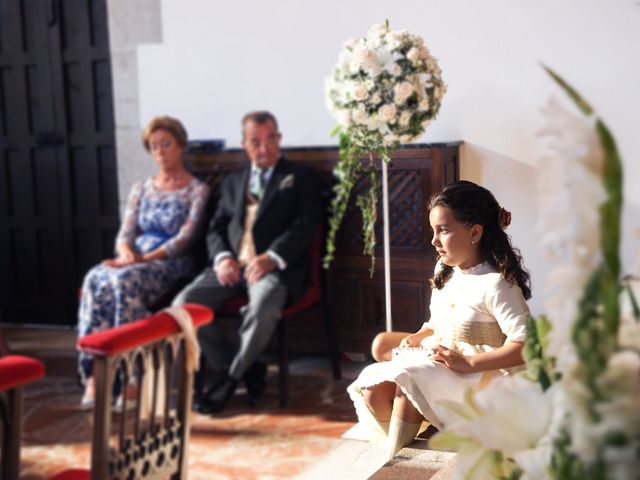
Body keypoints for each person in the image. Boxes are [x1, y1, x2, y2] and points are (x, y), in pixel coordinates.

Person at [348, 180, 532, 460]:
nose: (433, 241)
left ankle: (400, 460)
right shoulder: (446, 270)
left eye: (443, 230)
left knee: (408, 384)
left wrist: (468, 363)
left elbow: (525, 346)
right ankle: (419, 436)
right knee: (374, 384)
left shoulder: (497, 284)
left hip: (477, 374)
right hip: (444, 355)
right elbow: (439, 321)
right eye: (433, 230)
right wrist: (420, 337)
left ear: (475, 232)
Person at [173, 111, 323, 414]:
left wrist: (272, 257)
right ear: (244, 144)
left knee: (264, 303)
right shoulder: (232, 182)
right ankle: (245, 368)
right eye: (256, 142)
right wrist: (223, 258)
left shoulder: (300, 178)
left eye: (270, 140)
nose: (264, 148)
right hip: (232, 267)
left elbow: (306, 224)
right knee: (183, 307)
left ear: (279, 140)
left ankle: (228, 381)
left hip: (274, 268)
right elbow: (216, 226)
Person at [77, 115, 210, 408]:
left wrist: (140, 260)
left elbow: (184, 240)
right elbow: (125, 231)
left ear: (180, 146)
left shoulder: (197, 190)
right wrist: (125, 254)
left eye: (167, 144)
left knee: (126, 282)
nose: (161, 152)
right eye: (154, 146)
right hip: (133, 258)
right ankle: (94, 374)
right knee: (95, 277)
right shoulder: (141, 187)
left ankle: (131, 380)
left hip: (170, 262)